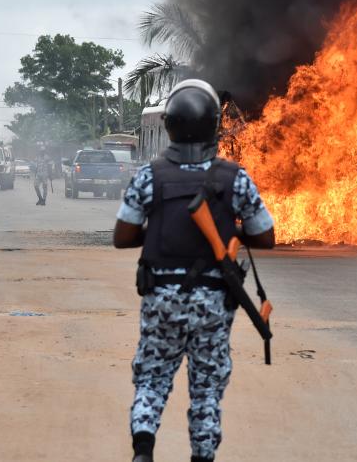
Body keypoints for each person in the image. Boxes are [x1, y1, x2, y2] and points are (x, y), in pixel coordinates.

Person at [113, 79, 276, 462]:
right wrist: (227, 231)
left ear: (168, 125)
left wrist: (162, 228)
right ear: (214, 127)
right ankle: (202, 456)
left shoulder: (149, 176)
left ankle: (143, 448)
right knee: (206, 391)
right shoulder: (235, 178)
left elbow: (123, 236)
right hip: (213, 305)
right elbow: (265, 236)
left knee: (152, 378)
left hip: (161, 300)